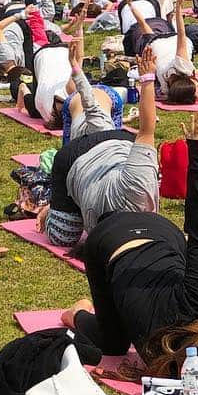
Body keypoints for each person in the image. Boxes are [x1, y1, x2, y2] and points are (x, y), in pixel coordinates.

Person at [60, 112, 198, 380]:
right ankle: (77, 313)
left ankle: (77, 313)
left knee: (113, 346)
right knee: (114, 343)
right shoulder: (158, 352)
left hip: (141, 235)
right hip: (121, 237)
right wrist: (197, 157)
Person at [39, 45, 160, 248]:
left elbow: (146, 130)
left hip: (109, 144)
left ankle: (54, 209)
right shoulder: (137, 188)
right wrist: (146, 80)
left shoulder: (137, 193)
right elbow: (146, 129)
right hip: (99, 149)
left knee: (62, 238)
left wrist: (148, 80)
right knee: (62, 236)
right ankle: (55, 208)